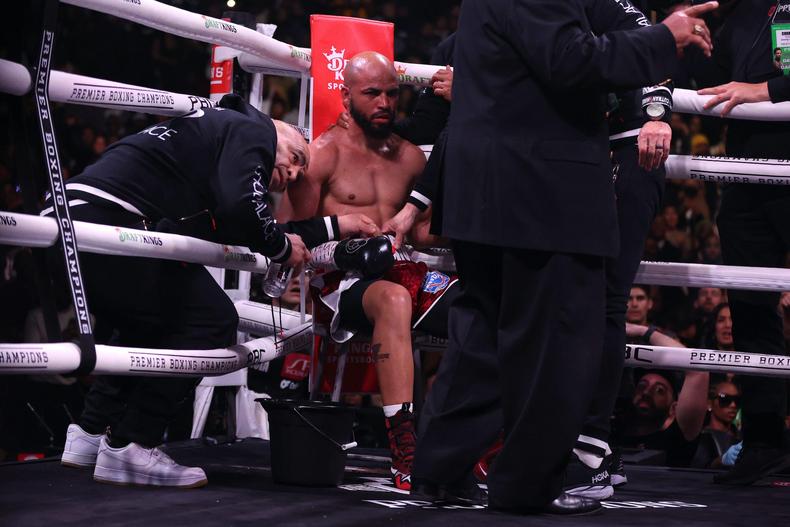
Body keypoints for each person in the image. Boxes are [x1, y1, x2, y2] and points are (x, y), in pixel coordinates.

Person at [410, 0, 718, 515]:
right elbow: (573, 61)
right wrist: (666, 37)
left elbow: (589, 31)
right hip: (538, 190)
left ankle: (442, 470)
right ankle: (525, 486)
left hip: (496, 187)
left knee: (483, 336)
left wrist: (652, 30)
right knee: (554, 345)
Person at [55, 94, 377, 488]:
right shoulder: (251, 129)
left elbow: (238, 224)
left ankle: (89, 433)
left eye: (298, 173)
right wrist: (278, 246)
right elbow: (243, 208)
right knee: (210, 319)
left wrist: (333, 227)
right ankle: (132, 443)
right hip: (107, 224)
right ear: (278, 126)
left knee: (150, 325)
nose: (293, 174)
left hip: (76, 218)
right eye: (296, 157)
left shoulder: (214, 141)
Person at [277, 52, 459, 491]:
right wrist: (346, 241)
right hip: (338, 282)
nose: (384, 103)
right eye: (372, 93)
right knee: (394, 299)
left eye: (393, 94)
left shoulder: (412, 158)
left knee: (483, 307)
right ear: (345, 96)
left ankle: (477, 444)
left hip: (402, 270)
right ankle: (404, 451)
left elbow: (424, 233)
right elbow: (293, 238)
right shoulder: (322, 155)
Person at [692, 0, 790, 484]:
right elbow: (708, 82)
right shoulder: (744, 16)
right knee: (751, 308)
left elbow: (754, 87)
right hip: (747, 179)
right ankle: (766, 441)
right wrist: (684, 39)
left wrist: (767, 90)